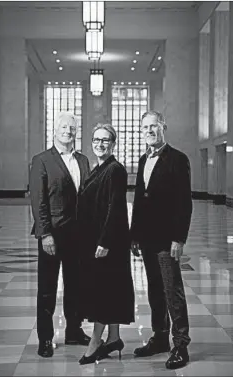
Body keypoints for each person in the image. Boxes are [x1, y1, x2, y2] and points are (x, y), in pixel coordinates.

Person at [130, 110, 192, 370]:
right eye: (145, 127)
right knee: (155, 289)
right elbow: (139, 201)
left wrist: (178, 239)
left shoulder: (178, 159)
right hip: (146, 239)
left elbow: (183, 203)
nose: (149, 130)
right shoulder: (144, 159)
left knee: (172, 291)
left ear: (163, 126)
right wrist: (133, 235)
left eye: (154, 126)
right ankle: (159, 337)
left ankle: (181, 344)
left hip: (167, 240)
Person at [29, 112, 91, 358]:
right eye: (64, 126)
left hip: (78, 236)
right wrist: (45, 235)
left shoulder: (84, 160)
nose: (68, 131)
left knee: (75, 285)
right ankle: (45, 338)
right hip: (53, 236)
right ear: (55, 130)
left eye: (73, 127)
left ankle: (74, 331)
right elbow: (38, 201)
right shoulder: (42, 160)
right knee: (47, 288)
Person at [77, 123, 135, 365]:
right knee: (111, 289)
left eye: (105, 140)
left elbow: (116, 208)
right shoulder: (97, 168)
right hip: (99, 240)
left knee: (102, 290)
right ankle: (113, 337)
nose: (100, 144)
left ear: (113, 144)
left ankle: (95, 341)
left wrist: (105, 241)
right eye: (96, 140)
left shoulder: (115, 170)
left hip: (108, 243)